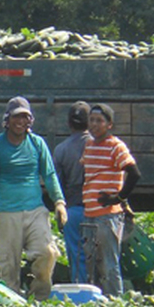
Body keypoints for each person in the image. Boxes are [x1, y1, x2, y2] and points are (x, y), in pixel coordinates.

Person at [0, 96, 68, 301]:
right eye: (17, 117)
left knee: (48, 253)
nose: (20, 122)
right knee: (8, 266)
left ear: (30, 121)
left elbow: (50, 174)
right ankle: (12, 306)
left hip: (35, 210)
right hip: (8, 212)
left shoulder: (37, 144)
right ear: (7, 120)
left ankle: (39, 298)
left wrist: (59, 202)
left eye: (25, 117)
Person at [80, 103, 141, 296]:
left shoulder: (116, 146)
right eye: (92, 120)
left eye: (99, 121)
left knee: (108, 263)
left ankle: (115, 303)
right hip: (89, 214)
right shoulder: (89, 144)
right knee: (91, 263)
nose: (95, 124)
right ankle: (97, 301)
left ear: (109, 124)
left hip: (107, 216)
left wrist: (118, 198)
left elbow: (134, 173)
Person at [54, 101, 92, 284]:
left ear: (69, 124)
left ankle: (82, 292)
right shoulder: (99, 145)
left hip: (73, 211)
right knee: (104, 256)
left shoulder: (61, 150)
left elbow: (57, 186)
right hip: (99, 211)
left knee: (77, 257)